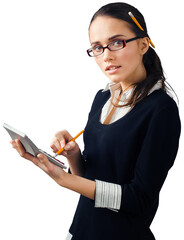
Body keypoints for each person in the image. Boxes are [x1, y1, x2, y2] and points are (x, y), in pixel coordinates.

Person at [10, 2, 181, 240]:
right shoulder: (102, 97)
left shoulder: (161, 109)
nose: (106, 55)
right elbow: (91, 181)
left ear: (144, 44)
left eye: (117, 42)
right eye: (97, 48)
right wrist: (73, 155)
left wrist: (63, 179)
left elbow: (139, 198)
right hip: (81, 231)